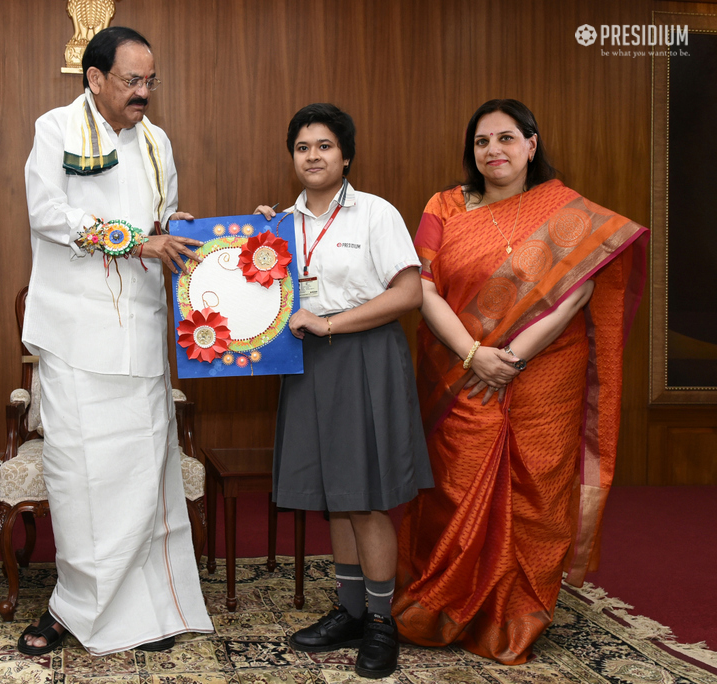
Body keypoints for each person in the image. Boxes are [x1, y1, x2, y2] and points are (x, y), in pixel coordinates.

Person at [393, 99, 649, 664]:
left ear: (532, 144)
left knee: (538, 488)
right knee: (454, 480)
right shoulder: (446, 205)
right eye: (482, 142)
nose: (494, 151)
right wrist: (473, 354)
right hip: (461, 371)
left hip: (545, 371)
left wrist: (511, 354)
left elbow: (579, 289)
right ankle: (443, 604)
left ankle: (516, 613)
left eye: (506, 138)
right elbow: (424, 287)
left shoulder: (568, 213)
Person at [18, 26, 213, 657]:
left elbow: (165, 221)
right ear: (95, 78)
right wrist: (135, 240)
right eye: (131, 81)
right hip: (77, 338)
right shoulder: (55, 129)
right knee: (81, 480)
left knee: (141, 474)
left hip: (142, 335)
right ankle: (70, 608)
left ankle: (148, 610)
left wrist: (183, 230)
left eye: (150, 81)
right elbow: (47, 215)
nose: (143, 93)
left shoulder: (157, 142)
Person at [255, 103, 434, 680]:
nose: (313, 156)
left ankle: (382, 624)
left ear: (346, 155)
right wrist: (248, 240)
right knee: (333, 493)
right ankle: (351, 611)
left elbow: (409, 293)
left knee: (366, 493)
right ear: (293, 157)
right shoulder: (281, 225)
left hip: (362, 353)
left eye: (325, 146)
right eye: (303, 147)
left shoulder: (375, 214)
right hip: (306, 362)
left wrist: (332, 323)